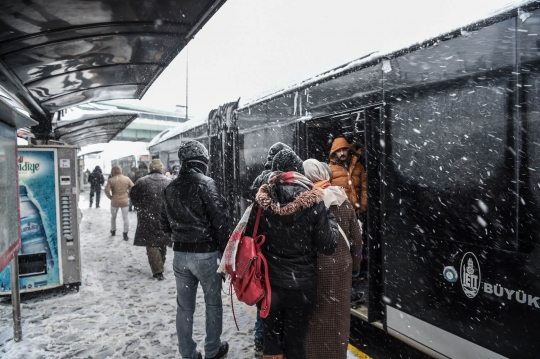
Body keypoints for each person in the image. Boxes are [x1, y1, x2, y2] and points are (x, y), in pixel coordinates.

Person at [243, 148, 339, 359]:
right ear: (298, 170)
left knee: (272, 344)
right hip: (302, 289)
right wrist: (329, 219)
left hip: (269, 287)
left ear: (275, 172)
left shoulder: (261, 202)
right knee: (295, 343)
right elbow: (328, 245)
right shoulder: (314, 201)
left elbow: (248, 235)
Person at [160, 140, 230, 359]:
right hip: (206, 254)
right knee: (213, 304)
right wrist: (225, 252)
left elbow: (164, 223)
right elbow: (219, 222)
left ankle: (188, 353)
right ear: (203, 161)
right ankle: (212, 349)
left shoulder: (170, 187)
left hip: (180, 256)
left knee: (184, 308)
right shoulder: (206, 183)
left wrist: (178, 238)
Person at [303, 159, 363, 359]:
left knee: (317, 317)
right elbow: (356, 238)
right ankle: (337, 353)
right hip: (341, 268)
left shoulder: (306, 201)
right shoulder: (342, 198)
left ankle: (315, 353)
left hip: (316, 268)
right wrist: (355, 266)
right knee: (339, 315)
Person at [248, 141, 292, 354]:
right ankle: (275, 339)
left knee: (263, 296)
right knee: (275, 297)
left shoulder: (260, 179)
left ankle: (260, 337)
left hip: (262, 247)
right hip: (278, 248)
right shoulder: (284, 180)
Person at [130, 159, 172, 280]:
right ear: (161, 168)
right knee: (163, 241)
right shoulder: (169, 181)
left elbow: (134, 197)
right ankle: (160, 265)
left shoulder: (141, 182)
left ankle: (157, 271)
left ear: (150, 168)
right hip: (165, 217)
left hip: (147, 217)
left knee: (151, 243)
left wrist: (141, 207)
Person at [328, 137, 367, 215]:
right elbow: (327, 191)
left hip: (357, 212)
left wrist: (363, 207)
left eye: (344, 150)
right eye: (338, 151)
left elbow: (364, 188)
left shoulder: (358, 166)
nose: (342, 153)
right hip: (340, 213)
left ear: (348, 150)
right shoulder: (330, 169)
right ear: (334, 153)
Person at [104, 165, 134, 240]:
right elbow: (133, 188)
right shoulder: (127, 179)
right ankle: (125, 233)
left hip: (115, 201)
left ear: (113, 171)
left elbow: (106, 190)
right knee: (125, 218)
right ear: (121, 170)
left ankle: (113, 230)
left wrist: (110, 197)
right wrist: (129, 195)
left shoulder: (111, 180)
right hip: (124, 201)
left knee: (113, 217)